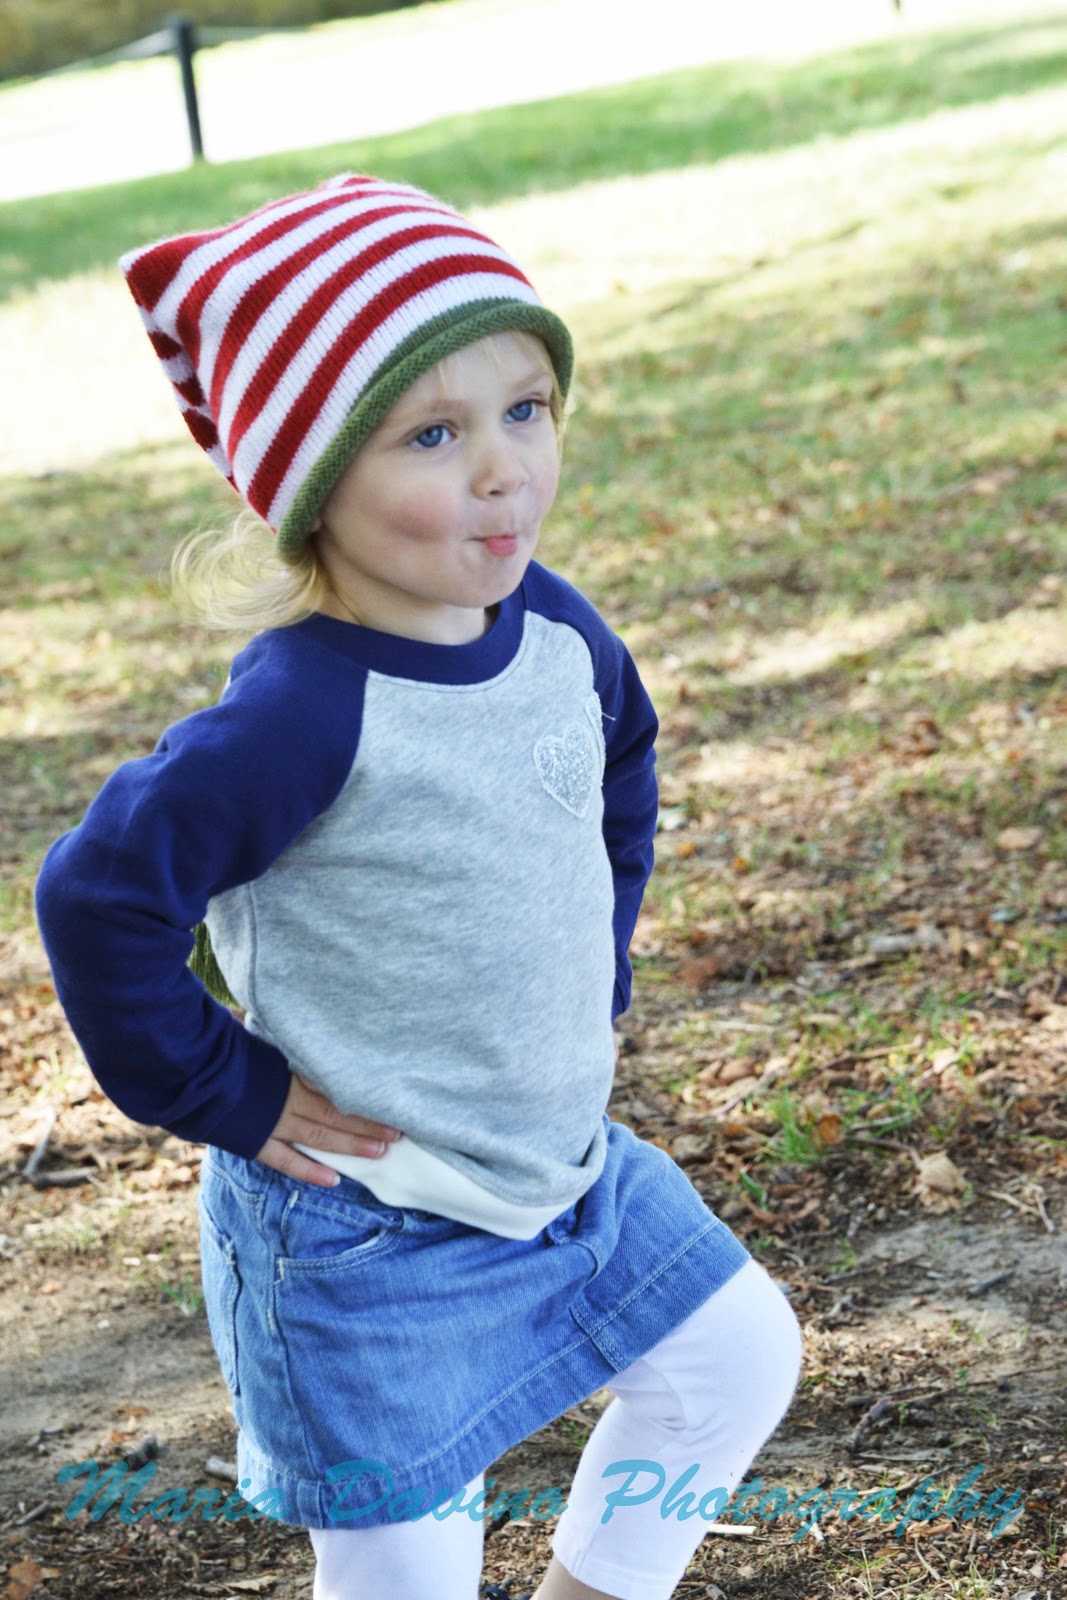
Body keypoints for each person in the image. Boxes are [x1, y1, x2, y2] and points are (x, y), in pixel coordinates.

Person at [35, 174, 802, 1600]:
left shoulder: (555, 631)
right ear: (313, 484)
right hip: (364, 1228)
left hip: (557, 1170)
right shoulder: (298, 716)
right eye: (435, 434)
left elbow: (618, 766)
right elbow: (98, 898)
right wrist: (225, 1090)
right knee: (407, 1573)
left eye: (527, 409)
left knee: (736, 1353)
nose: (505, 468)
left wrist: (597, 955)